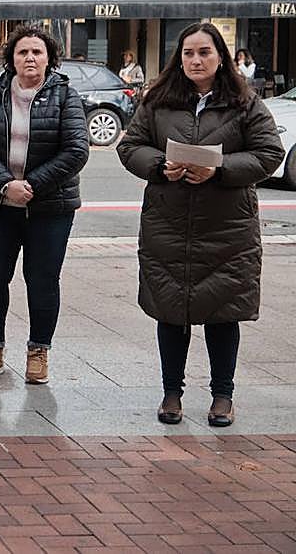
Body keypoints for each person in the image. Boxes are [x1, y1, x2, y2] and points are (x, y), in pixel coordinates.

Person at [118, 22, 283, 428]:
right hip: (168, 223)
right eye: (188, 53)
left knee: (223, 313)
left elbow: (269, 153)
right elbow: (129, 146)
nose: (195, 60)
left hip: (227, 227)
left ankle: (222, 396)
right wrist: (160, 165)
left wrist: (220, 167)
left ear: (220, 57)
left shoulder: (245, 102)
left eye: (204, 53)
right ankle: (171, 392)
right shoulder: (157, 100)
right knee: (170, 310)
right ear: (180, 57)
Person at [0, 25, 89, 385]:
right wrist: (5, 185)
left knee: (42, 280)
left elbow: (76, 150)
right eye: (23, 52)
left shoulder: (66, 96)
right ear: (11, 58)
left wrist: (31, 185)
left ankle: (39, 351)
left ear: (49, 57)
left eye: (37, 52)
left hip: (50, 207)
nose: (30, 58)